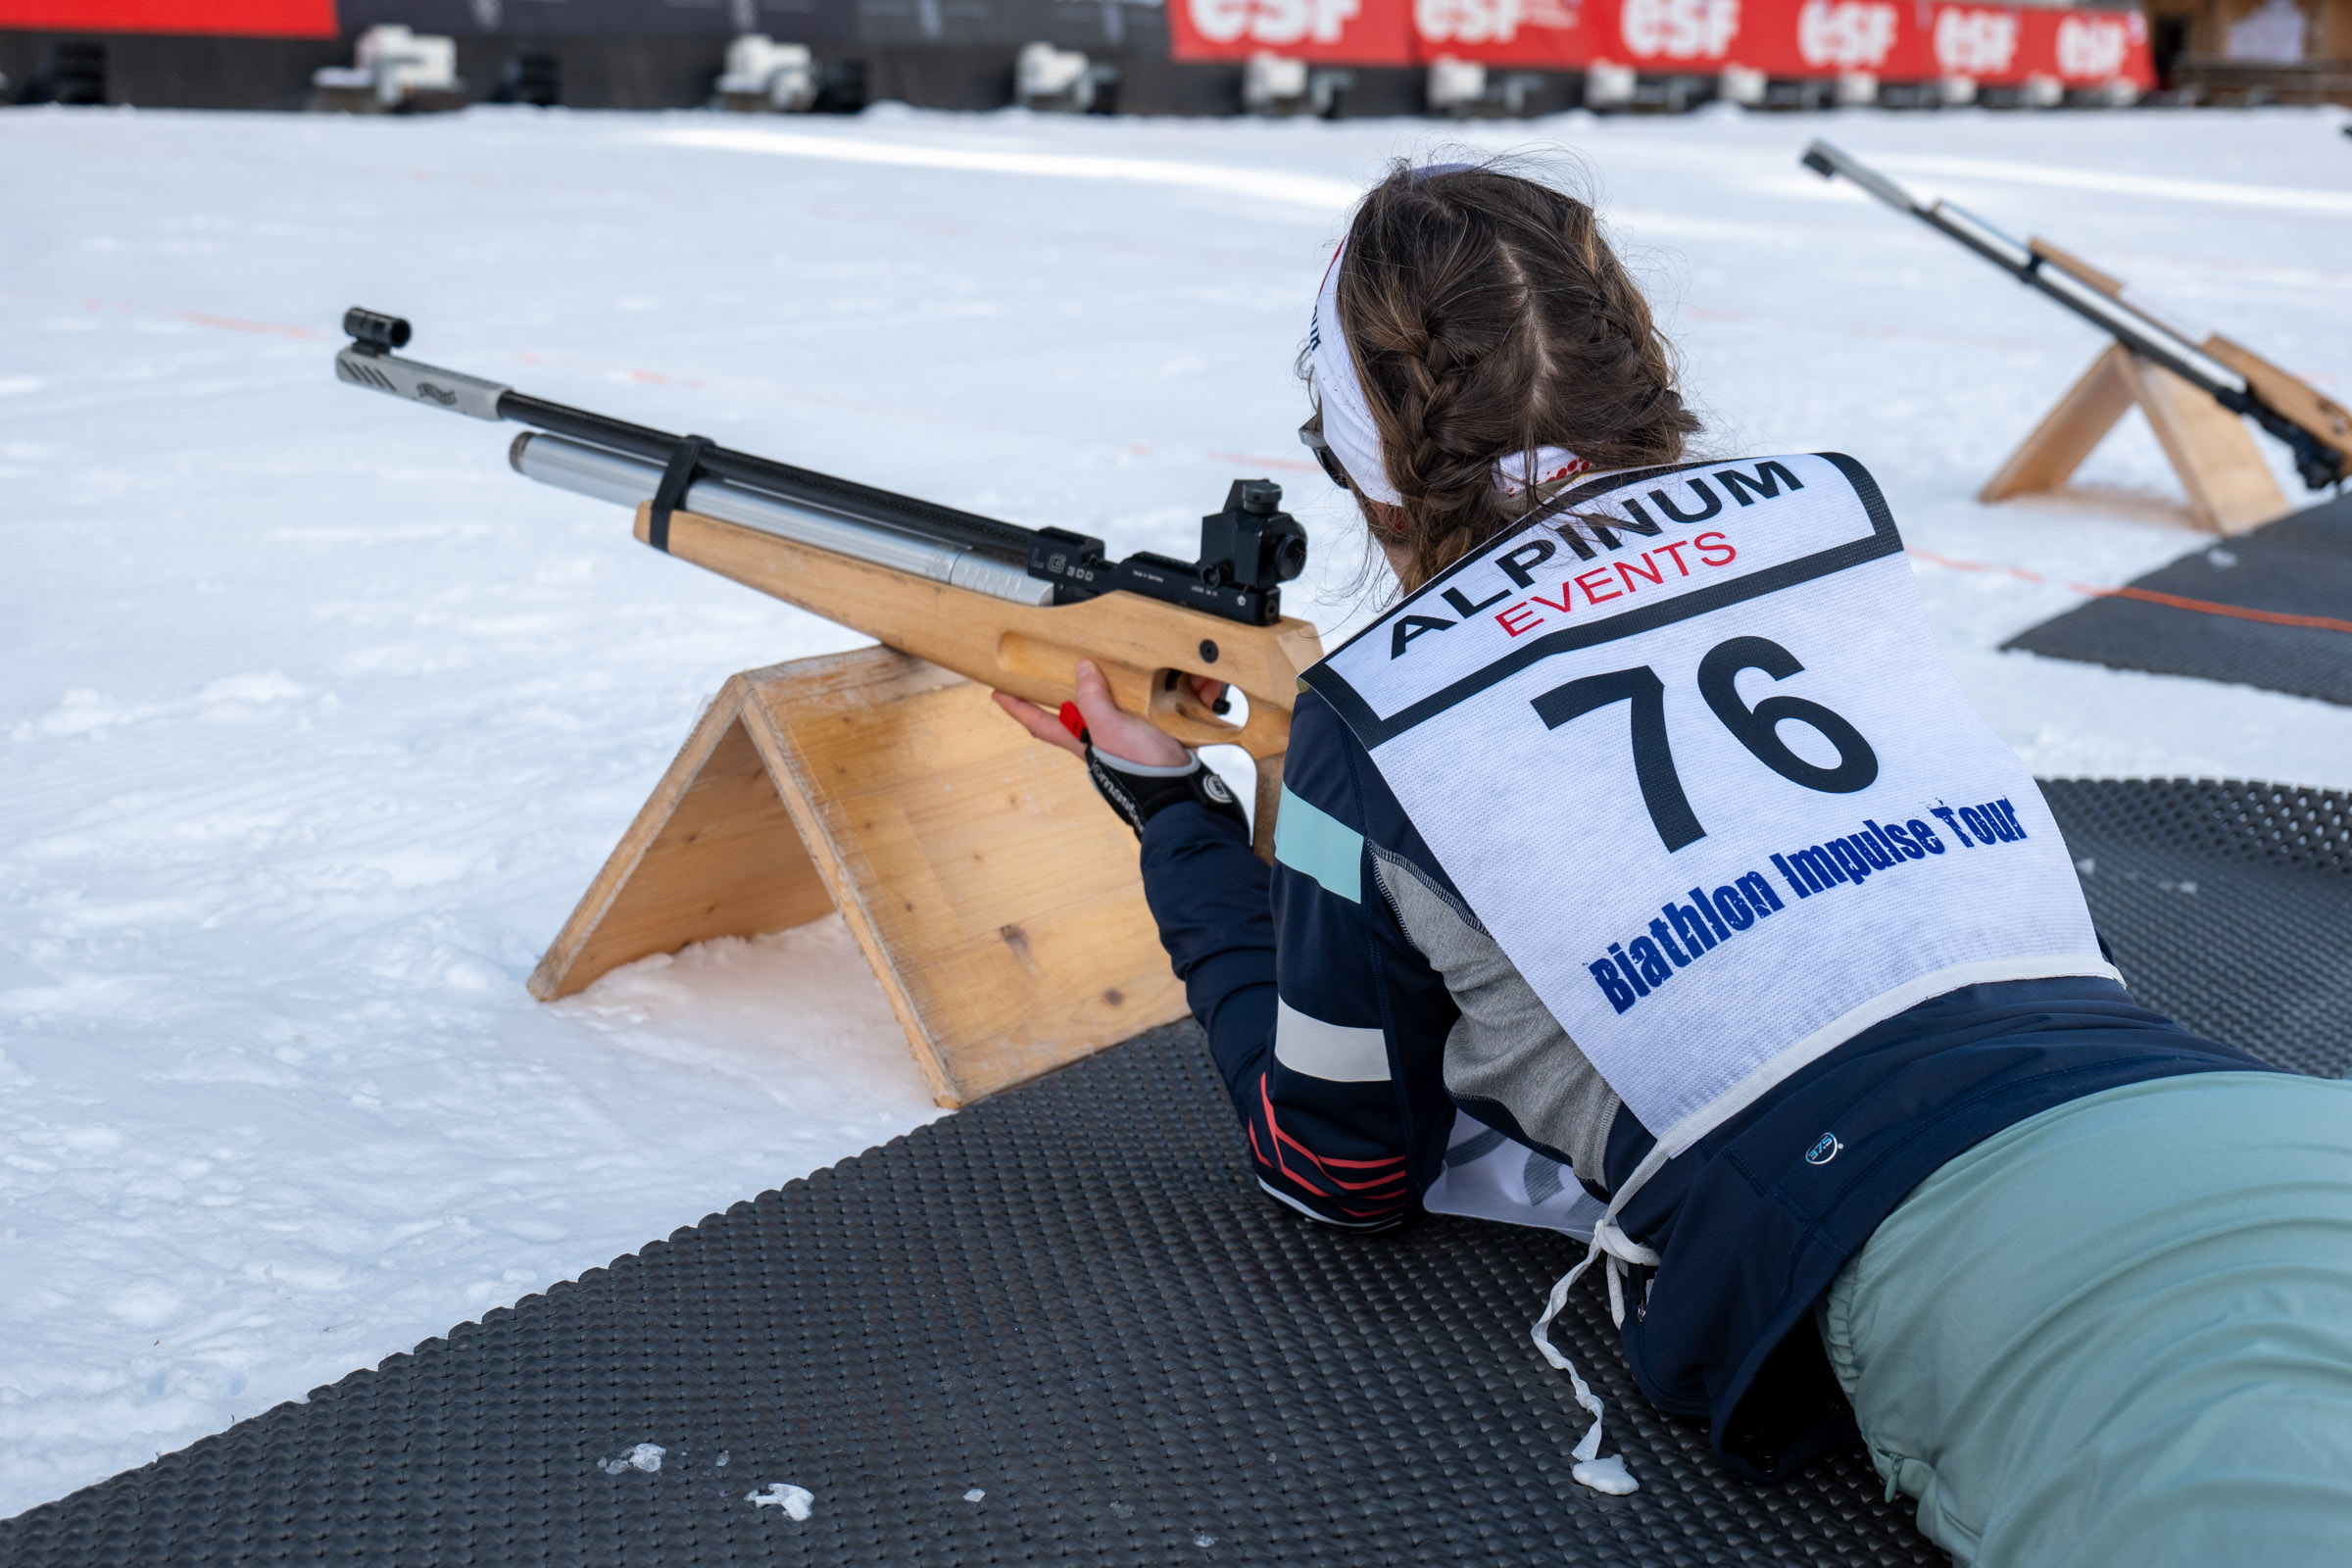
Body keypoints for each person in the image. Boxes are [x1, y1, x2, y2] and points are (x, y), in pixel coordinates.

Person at [995, 161, 2352, 1565]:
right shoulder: (1828, 520)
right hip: (2243, 1112)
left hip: (2002, 1265)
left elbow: (1335, 1166)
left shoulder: (1370, 720)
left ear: (1365, 468)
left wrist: (1172, 814)